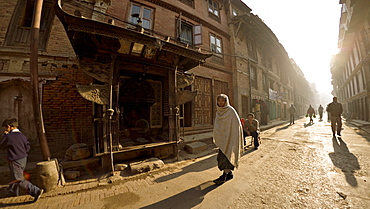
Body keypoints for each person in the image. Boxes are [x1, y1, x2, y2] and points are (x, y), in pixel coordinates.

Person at [0, 118, 43, 202]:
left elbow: (1, 146)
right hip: (23, 159)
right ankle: (13, 191)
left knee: (18, 178)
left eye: (5, 128)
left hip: (14, 159)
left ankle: (35, 190)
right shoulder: (23, 136)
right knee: (14, 175)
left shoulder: (8, 137)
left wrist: (5, 136)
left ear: (9, 127)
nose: (5, 130)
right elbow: (27, 147)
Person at [213, 94, 243, 185]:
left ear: (226, 102)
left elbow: (236, 126)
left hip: (230, 138)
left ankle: (224, 176)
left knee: (226, 157)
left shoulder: (231, 111)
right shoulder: (219, 111)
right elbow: (219, 126)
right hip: (223, 139)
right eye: (219, 101)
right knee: (220, 157)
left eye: (223, 101)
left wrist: (233, 137)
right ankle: (229, 173)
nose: (221, 103)